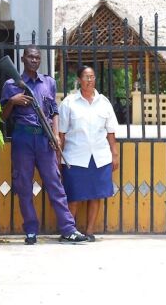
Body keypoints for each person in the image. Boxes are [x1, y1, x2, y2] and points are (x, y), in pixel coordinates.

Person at [0, 45, 88, 244]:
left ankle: (68, 229)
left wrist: (56, 135)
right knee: (24, 186)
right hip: (23, 138)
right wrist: (12, 102)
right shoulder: (11, 84)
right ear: (23, 59)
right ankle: (31, 231)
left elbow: (53, 111)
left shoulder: (48, 82)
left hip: (44, 138)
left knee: (55, 184)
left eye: (37, 58)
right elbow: (2, 117)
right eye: (30, 57)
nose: (34, 60)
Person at [58, 66, 119, 242]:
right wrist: (58, 158)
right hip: (75, 157)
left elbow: (111, 131)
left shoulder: (104, 102)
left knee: (96, 195)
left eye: (92, 76)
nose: (89, 80)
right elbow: (61, 133)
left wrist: (114, 154)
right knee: (73, 195)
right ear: (79, 80)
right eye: (86, 77)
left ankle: (90, 231)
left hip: (100, 157)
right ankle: (69, 231)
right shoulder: (69, 103)